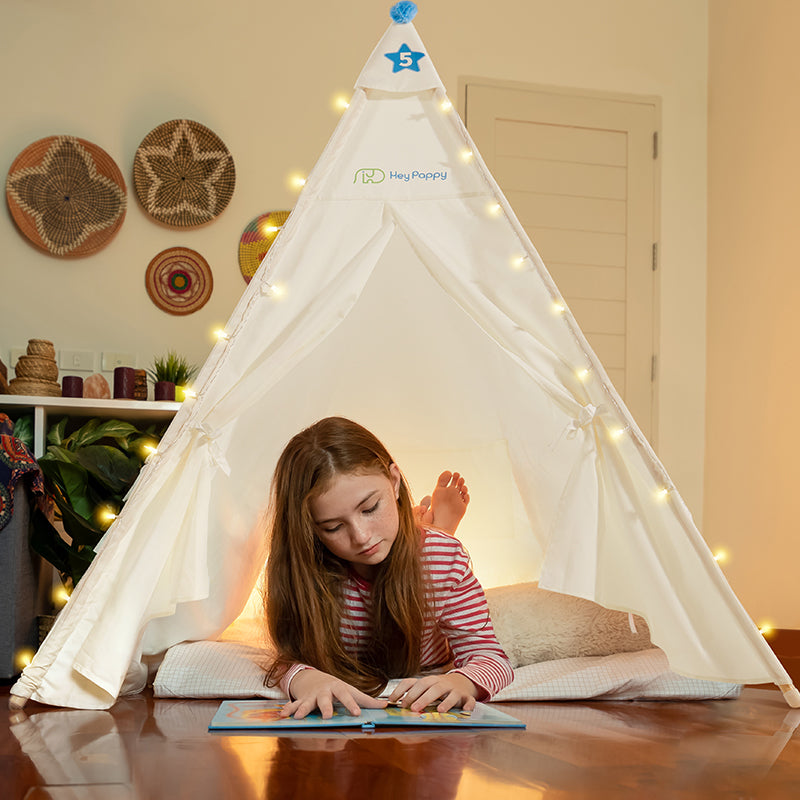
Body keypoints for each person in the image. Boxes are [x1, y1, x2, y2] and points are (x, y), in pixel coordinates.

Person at [264, 416, 513, 719]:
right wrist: (304, 678)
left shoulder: (444, 559)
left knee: (434, 553)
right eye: (332, 527)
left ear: (394, 481)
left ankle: (436, 529)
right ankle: (426, 524)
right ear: (310, 530)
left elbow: (490, 657)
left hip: (428, 563)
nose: (361, 537)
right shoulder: (305, 569)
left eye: (370, 508)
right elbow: (287, 657)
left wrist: (461, 681)